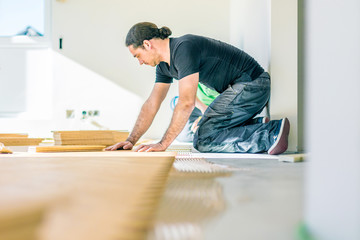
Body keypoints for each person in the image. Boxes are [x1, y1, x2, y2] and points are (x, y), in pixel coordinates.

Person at [106, 22, 290, 154]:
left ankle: (270, 133)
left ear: (147, 44)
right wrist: (131, 140)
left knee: (203, 139)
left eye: (138, 56)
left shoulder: (183, 48)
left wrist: (163, 144)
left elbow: (186, 103)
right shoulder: (164, 66)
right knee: (203, 133)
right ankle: (256, 126)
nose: (140, 62)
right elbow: (152, 103)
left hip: (253, 85)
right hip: (242, 90)